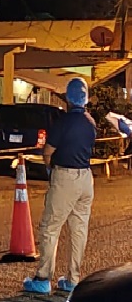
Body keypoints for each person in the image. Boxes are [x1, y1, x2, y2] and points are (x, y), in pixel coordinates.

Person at [24, 77, 96, 295]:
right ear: (85, 98)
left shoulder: (63, 122)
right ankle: (73, 279)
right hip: (86, 178)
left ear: (67, 98)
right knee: (78, 230)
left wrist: (50, 169)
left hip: (65, 177)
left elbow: (48, 152)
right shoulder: (90, 122)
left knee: (50, 228)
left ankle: (43, 278)